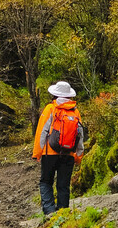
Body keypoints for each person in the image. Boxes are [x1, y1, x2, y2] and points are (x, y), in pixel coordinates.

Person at [32, 81, 84, 216]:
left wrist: (37, 153)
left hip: (50, 153)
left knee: (45, 182)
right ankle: (62, 214)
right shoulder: (75, 111)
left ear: (54, 94)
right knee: (63, 185)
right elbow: (80, 135)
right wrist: (78, 156)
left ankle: (50, 213)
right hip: (69, 154)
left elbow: (42, 132)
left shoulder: (50, 108)